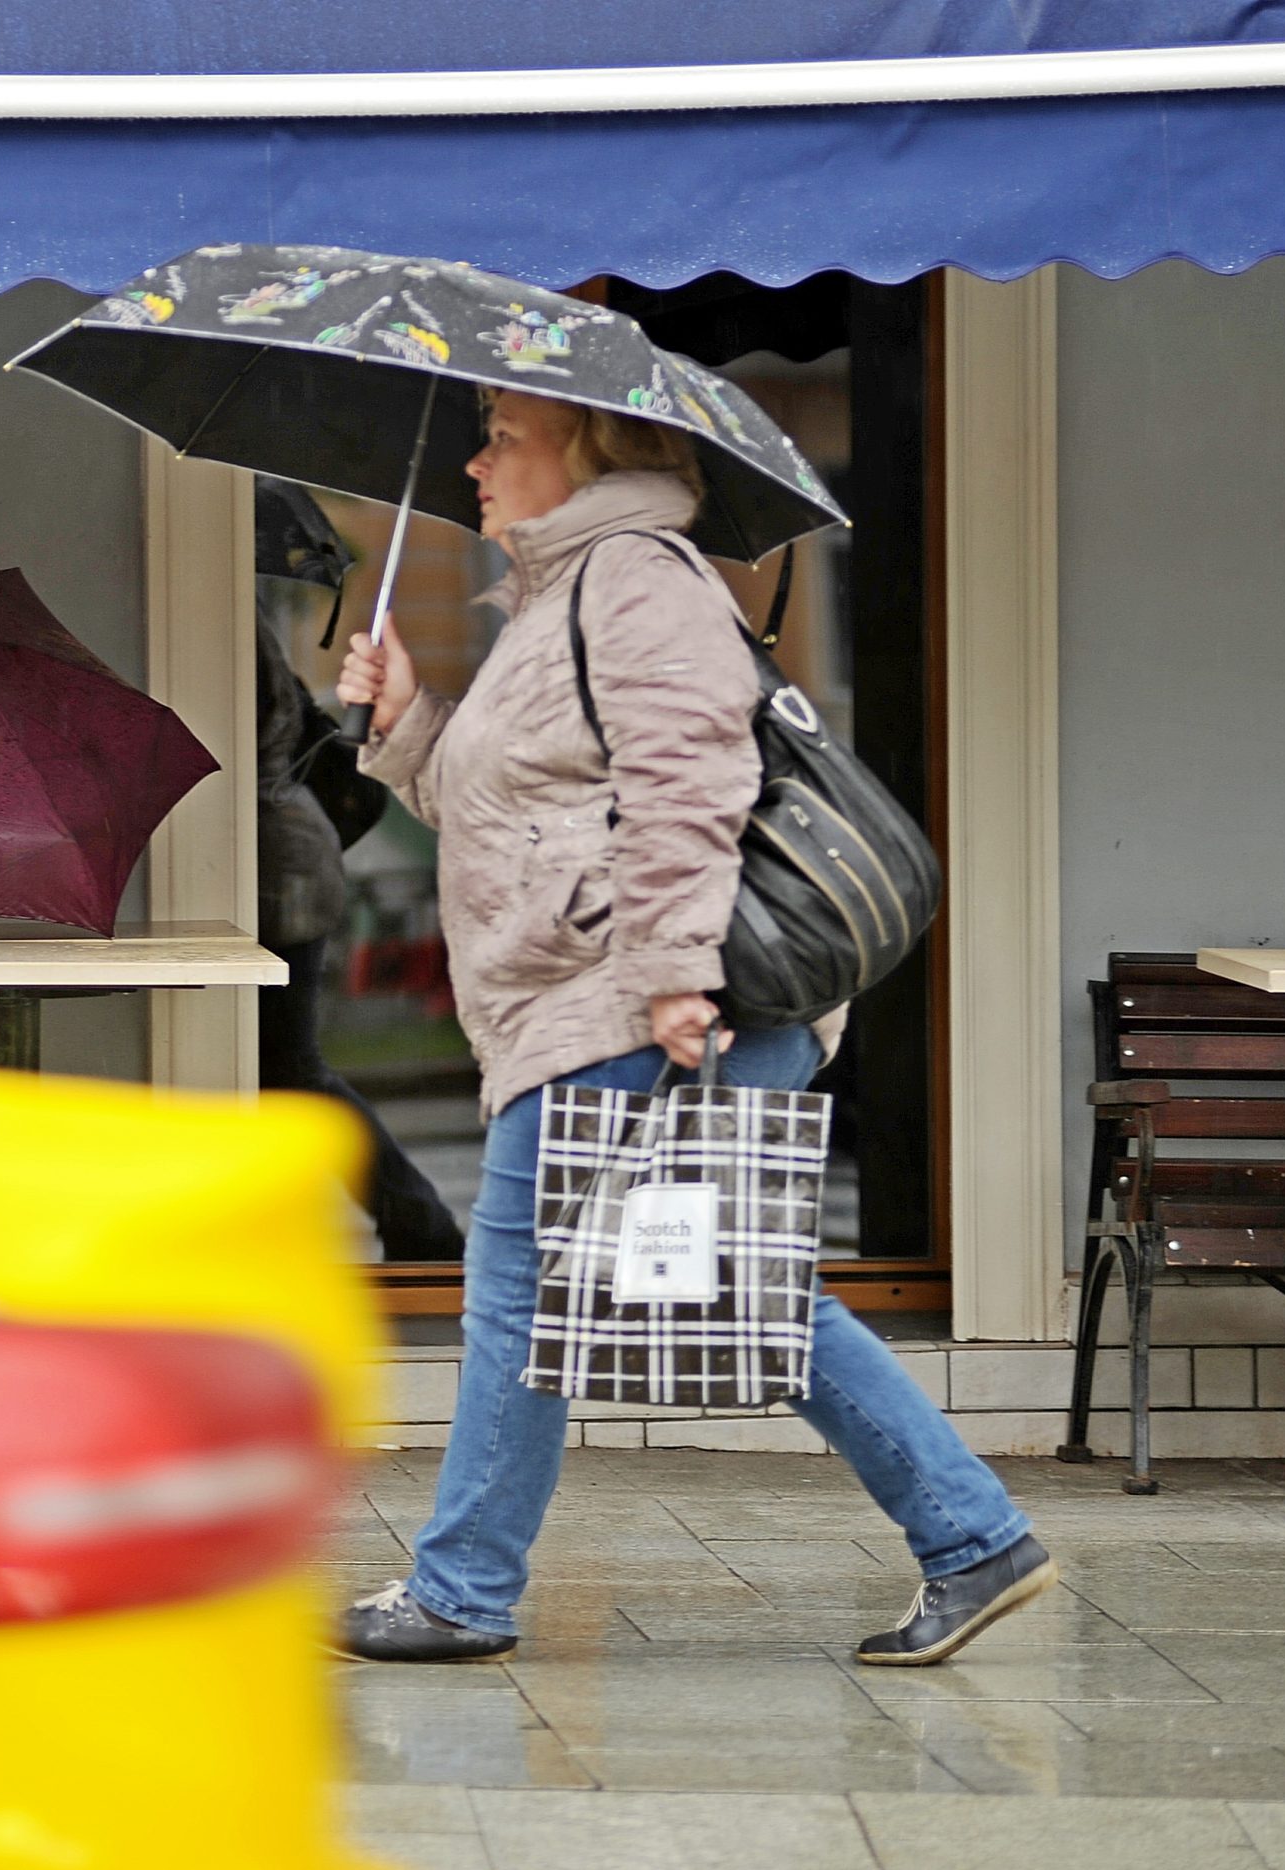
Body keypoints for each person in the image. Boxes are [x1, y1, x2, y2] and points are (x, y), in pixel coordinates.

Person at [331, 388, 1050, 1667]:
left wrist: (671, 980)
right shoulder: (557, 598)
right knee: (733, 1289)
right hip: (596, 997)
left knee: (519, 1302)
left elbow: (689, 782)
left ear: (586, 450)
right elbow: (526, 815)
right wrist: (408, 727)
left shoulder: (634, 580)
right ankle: (968, 1535)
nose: (474, 460)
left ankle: (462, 1589)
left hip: (623, 1004)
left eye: (502, 434)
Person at [253, 483, 465, 1263]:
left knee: (288, 1069)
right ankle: (414, 1228)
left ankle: (423, 1230)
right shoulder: (235, 624)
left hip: (279, 872)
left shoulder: (216, 628)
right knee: (281, 1073)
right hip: (287, 863)